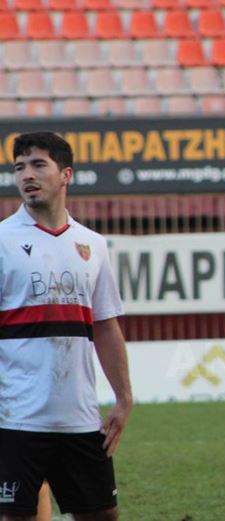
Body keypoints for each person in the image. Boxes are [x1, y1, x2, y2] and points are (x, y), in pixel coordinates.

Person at [0, 132, 133, 521]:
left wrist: (124, 397)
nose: (27, 174)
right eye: (19, 167)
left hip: (81, 417)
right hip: (15, 417)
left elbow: (105, 325)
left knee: (103, 515)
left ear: (66, 174)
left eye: (38, 164)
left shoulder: (93, 244)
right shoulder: (3, 240)